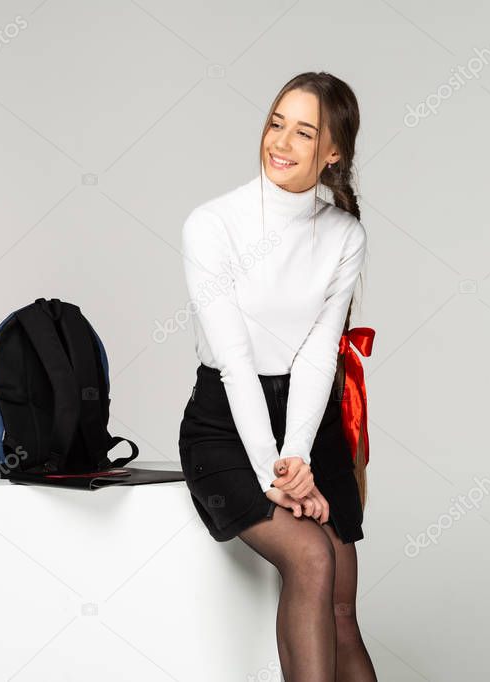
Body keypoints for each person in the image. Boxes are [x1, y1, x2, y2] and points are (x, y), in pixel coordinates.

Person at [178, 71, 377, 681]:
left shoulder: (344, 234)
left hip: (309, 427)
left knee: (342, 603)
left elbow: (320, 356)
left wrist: (299, 455)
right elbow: (235, 361)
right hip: (226, 429)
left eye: (305, 131)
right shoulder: (212, 225)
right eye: (276, 122)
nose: (281, 141)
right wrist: (274, 468)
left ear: (333, 152)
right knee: (312, 559)